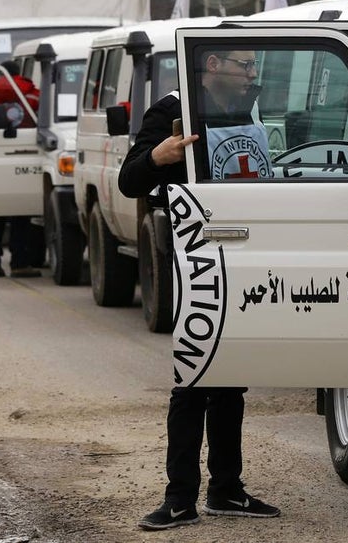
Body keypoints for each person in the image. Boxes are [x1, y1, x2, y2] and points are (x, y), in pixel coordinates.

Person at [119, 48, 279, 531]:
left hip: (239, 254)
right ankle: (179, 497)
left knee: (231, 378)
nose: (252, 74)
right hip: (194, 258)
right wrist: (158, 156)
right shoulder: (171, 110)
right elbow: (129, 179)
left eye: (253, 67)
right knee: (192, 381)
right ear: (212, 66)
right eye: (244, 65)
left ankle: (226, 489)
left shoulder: (239, 110)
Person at [0, 59, 42, 278]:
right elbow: (41, 120)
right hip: (24, 154)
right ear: (19, 73)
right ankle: (20, 263)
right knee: (21, 212)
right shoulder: (33, 94)